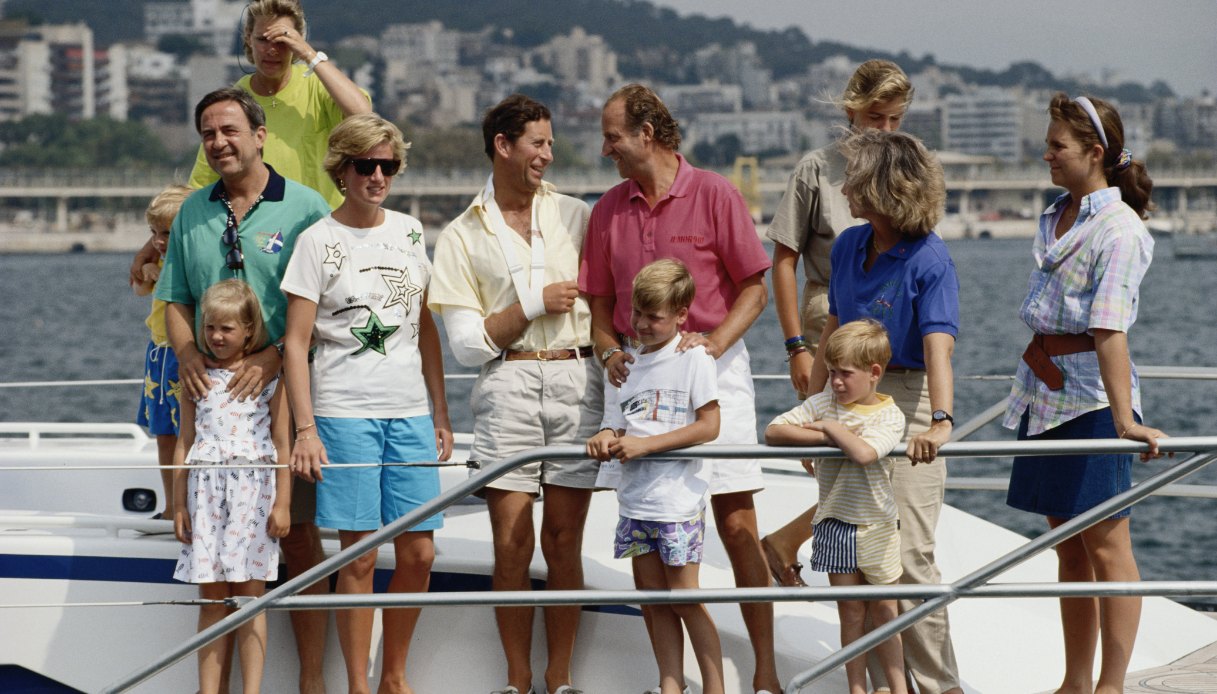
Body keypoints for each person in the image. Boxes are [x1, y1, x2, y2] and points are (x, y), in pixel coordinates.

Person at [580, 83, 779, 694]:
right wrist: (611, 350)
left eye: (613, 135)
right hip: (636, 378)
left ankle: (765, 674)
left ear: (647, 133)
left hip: (713, 368)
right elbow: (600, 305)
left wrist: (714, 346)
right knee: (646, 522)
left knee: (739, 524)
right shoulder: (608, 208)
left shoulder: (716, 192)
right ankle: (674, 682)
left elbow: (755, 288)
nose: (605, 147)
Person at [156, 86, 333, 694]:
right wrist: (186, 358)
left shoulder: (306, 207)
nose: (219, 142)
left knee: (302, 536)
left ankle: (311, 678)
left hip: (285, 397)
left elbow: (321, 309)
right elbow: (173, 298)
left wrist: (273, 355)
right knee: (218, 578)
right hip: (212, 403)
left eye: (229, 130)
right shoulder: (192, 213)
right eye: (208, 133)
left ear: (260, 136)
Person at [427, 94, 601, 694]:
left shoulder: (578, 216)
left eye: (550, 143)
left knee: (564, 541)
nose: (548, 155)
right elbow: (468, 347)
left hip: (580, 380)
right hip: (507, 382)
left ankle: (559, 680)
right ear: (503, 145)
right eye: (538, 143)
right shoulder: (457, 235)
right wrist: (532, 304)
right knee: (511, 542)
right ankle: (517, 681)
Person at [281, 113, 450, 694]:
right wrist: (306, 430)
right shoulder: (317, 241)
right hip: (344, 414)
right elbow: (296, 342)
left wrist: (441, 413)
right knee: (356, 560)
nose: (378, 176)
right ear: (342, 170)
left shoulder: (409, 230)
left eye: (388, 165)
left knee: (420, 552)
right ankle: (358, 684)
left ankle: (393, 676)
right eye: (365, 165)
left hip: (410, 413)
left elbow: (424, 328)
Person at [1003, 93, 1166, 694]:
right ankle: (1075, 682)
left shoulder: (1120, 228)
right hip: (1043, 393)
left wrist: (1125, 420)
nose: (1046, 154)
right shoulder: (1054, 215)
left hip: (1094, 401)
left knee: (1108, 545)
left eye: (1057, 146)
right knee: (1067, 546)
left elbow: (1109, 330)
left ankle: (1111, 685)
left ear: (1095, 153)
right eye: (1048, 143)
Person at [811, 128, 963, 694]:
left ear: (880, 187)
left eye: (854, 176)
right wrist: (813, 406)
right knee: (853, 546)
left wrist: (941, 422)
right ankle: (876, 685)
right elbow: (834, 326)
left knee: (908, 556)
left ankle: (937, 686)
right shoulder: (850, 244)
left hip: (909, 394)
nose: (843, 185)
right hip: (848, 393)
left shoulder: (930, 258)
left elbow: (938, 347)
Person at [761, 59, 913, 589]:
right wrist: (795, 346)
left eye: (895, 119)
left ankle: (788, 541)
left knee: (870, 456)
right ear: (851, 108)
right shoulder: (815, 169)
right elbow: (783, 259)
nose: (886, 130)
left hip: (888, 324)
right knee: (831, 455)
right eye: (877, 116)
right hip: (828, 318)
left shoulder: (904, 165)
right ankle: (808, 554)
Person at [587, 259, 724, 694]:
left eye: (654, 316)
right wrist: (604, 437)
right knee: (651, 597)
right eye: (637, 314)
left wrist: (645, 445)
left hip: (677, 501)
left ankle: (714, 687)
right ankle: (670, 683)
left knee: (685, 598)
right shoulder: (624, 366)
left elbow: (709, 425)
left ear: (682, 315)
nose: (642, 325)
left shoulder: (694, 358)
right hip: (635, 500)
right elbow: (616, 423)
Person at [765, 319, 908, 694]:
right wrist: (830, 428)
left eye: (845, 374)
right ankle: (857, 688)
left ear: (874, 373)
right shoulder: (824, 402)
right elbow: (774, 431)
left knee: (886, 614)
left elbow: (863, 453)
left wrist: (828, 429)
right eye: (830, 373)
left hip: (876, 525)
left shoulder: (889, 414)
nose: (836, 382)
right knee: (850, 612)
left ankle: (897, 687)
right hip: (833, 523)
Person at [172, 279, 292, 694]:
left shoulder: (268, 379)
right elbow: (184, 443)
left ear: (248, 330)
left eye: (227, 329)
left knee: (251, 596)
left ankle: (251, 690)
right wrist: (178, 506)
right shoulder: (195, 377)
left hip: (253, 494)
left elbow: (282, 444)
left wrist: (283, 505)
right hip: (204, 495)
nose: (217, 337)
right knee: (212, 598)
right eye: (209, 328)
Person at [188, 0, 371, 208]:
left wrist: (308, 54)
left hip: (321, 228)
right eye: (263, 40)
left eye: (282, 41)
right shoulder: (233, 104)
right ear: (248, 39)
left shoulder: (317, 87)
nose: (272, 50)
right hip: (261, 231)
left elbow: (363, 115)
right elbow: (200, 186)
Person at [132, 184, 191, 521]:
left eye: (166, 232)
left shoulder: (190, 263)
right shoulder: (160, 258)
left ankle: (187, 503)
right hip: (157, 353)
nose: (158, 240)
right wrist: (146, 270)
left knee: (186, 431)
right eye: (154, 232)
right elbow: (140, 290)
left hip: (180, 354)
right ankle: (170, 505)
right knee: (163, 432)